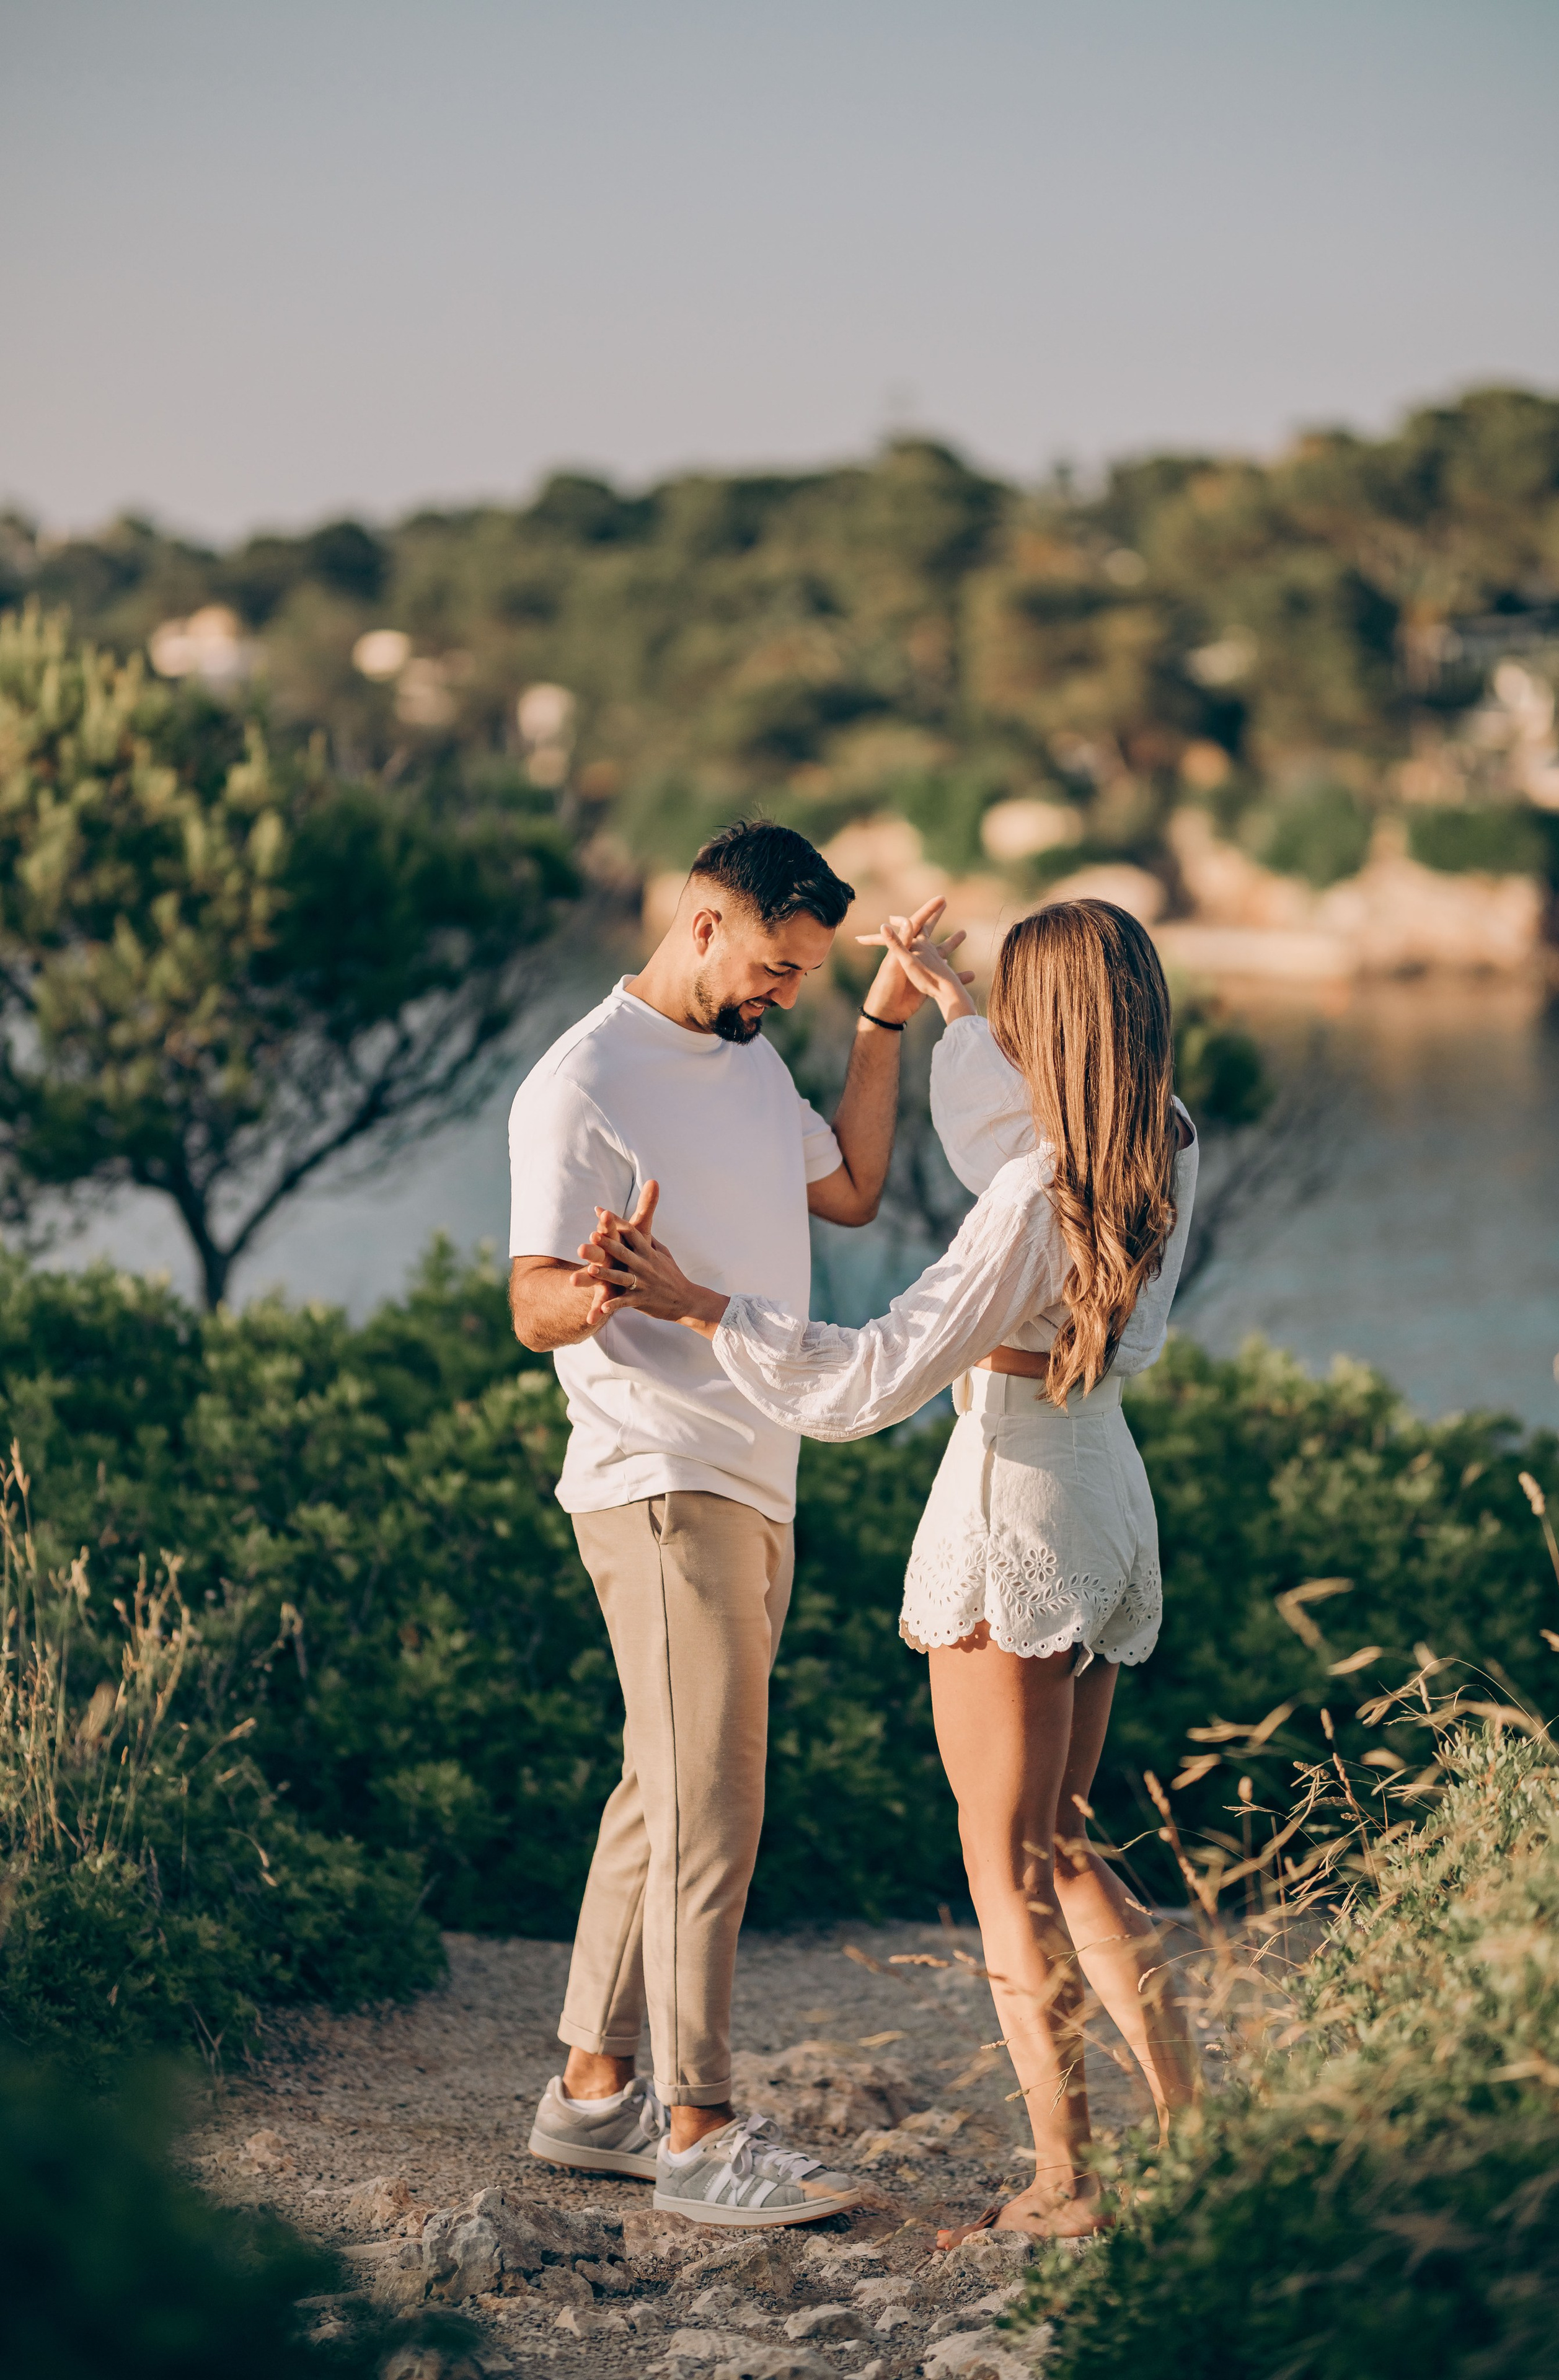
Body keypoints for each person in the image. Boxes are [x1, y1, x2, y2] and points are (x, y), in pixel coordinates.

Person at [575, 897, 1203, 2242]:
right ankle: (1192, 2141)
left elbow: (870, 1374)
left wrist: (701, 1306)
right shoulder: (1159, 1147)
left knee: (1003, 1863)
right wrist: (940, 1004)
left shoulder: (1037, 1197)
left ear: (1052, 1032)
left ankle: (1064, 2187)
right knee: (1068, 1841)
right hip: (1101, 1491)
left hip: (1012, 1503)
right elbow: (999, 1125)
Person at [506, 818, 973, 2228]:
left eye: (803, 976)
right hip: (660, 1472)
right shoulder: (580, 1079)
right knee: (714, 1796)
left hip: (755, 1468)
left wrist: (884, 1018)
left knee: (665, 1788)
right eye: (773, 964)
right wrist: (601, 1291)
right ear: (702, 920)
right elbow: (528, 1301)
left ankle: (591, 2096)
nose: (782, 993)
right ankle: (698, 2134)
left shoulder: (749, 1060)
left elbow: (846, 1187)